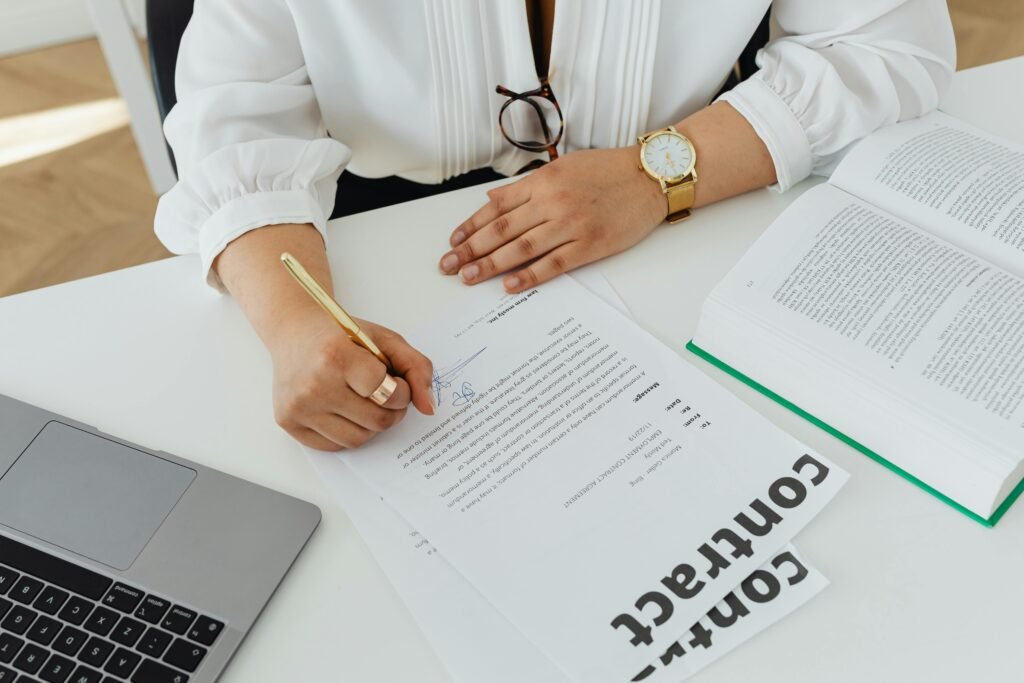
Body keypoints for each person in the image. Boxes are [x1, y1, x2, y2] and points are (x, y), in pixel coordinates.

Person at [154, 0, 955, 451]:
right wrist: (296, 327)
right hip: (365, 224)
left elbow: (889, 48)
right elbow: (235, 119)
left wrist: (656, 172)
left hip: (689, 206)